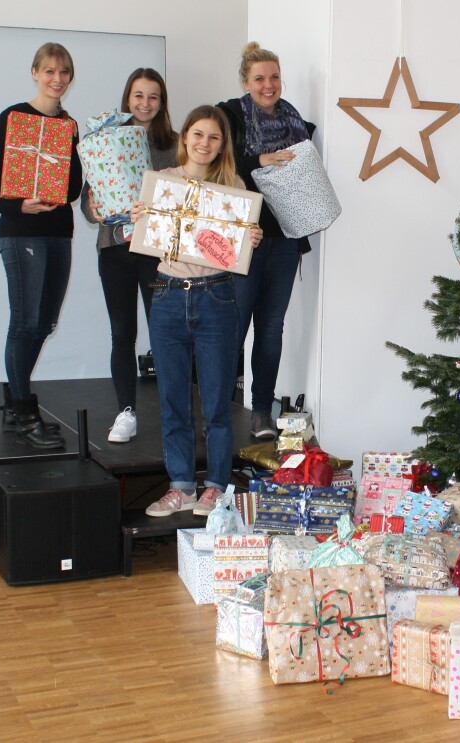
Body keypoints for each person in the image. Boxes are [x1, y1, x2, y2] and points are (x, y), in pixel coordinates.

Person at [131, 106, 262, 517]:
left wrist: (250, 237)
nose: (205, 144)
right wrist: (138, 219)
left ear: (223, 145)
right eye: (198, 135)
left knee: (218, 402)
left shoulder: (234, 188)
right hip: (167, 297)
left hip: (217, 298)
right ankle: (181, 487)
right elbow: (144, 234)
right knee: (172, 399)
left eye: (214, 138)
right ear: (185, 137)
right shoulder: (162, 184)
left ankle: (217, 487)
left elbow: (234, 249)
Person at [0, 42, 83, 449]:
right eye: (50, 71)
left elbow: (73, 186)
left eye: (64, 73)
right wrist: (19, 203)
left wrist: (62, 192)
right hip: (21, 233)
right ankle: (23, 408)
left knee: (45, 322)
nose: (57, 79)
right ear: (35, 72)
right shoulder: (14, 117)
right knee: (25, 321)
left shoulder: (69, 126)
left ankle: (15, 399)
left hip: (59, 232)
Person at [217, 43, 316, 442]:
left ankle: (261, 411)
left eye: (274, 76)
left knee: (271, 327)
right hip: (245, 235)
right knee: (234, 327)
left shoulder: (296, 122)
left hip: (285, 239)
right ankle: (220, 408)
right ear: (246, 81)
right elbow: (219, 166)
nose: (268, 84)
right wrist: (259, 161)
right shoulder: (230, 116)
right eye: (259, 78)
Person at [80, 69, 178, 444]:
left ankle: (175, 412)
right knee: (122, 333)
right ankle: (126, 413)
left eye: (153, 97)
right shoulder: (104, 141)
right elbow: (90, 203)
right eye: (138, 95)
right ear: (127, 99)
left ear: (162, 102)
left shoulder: (175, 144)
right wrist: (93, 209)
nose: (145, 103)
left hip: (157, 254)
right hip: (115, 250)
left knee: (165, 334)